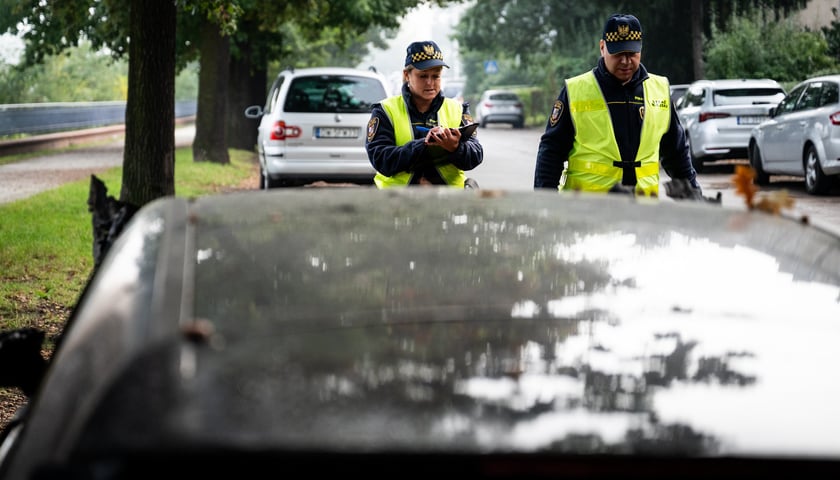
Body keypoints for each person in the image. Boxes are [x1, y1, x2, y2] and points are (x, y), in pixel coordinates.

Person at [533, 13, 702, 198]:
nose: (625, 61)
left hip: (642, 211)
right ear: (602, 47)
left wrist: (695, 199)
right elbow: (551, 152)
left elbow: (677, 155)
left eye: (632, 54)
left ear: (641, 50)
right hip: (588, 210)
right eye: (618, 53)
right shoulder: (575, 91)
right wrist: (545, 204)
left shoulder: (659, 90)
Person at [366, 40, 483, 188]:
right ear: (407, 75)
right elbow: (381, 160)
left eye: (436, 76)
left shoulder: (458, 109)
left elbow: (476, 155)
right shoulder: (385, 111)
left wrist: (456, 148)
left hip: (449, 203)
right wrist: (423, 145)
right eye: (423, 76)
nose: (430, 82)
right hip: (397, 203)